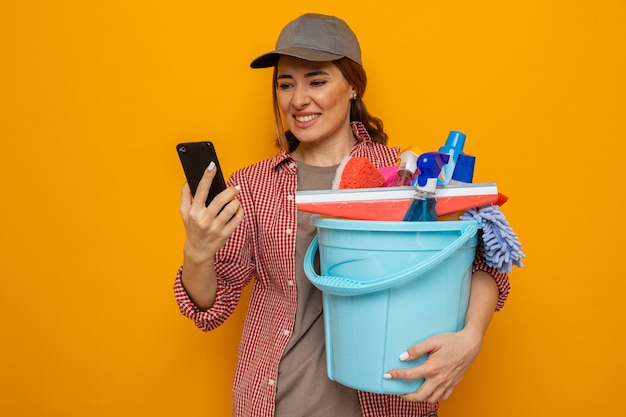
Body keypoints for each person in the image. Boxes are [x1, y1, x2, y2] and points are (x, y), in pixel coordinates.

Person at [175, 13, 510, 417]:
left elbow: (485, 264)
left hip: (387, 403)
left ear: (352, 86)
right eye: (286, 84)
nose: (298, 100)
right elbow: (211, 307)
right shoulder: (253, 186)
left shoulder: (409, 178)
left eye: (316, 81)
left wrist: (470, 338)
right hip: (278, 402)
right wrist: (197, 250)